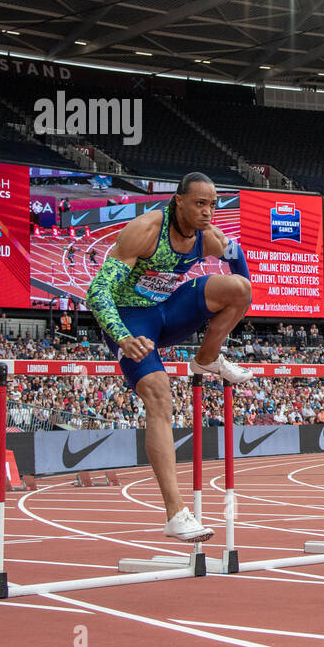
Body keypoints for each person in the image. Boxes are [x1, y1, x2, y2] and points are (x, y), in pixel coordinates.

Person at [86, 171, 254, 542]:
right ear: (178, 200)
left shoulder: (209, 237)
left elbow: (237, 256)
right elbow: (97, 291)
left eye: (212, 204)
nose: (208, 212)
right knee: (161, 395)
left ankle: (208, 358)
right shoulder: (145, 230)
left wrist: (240, 308)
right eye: (199, 203)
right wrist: (123, 337)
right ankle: (176, 513)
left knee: (239, 289)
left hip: (169, 312)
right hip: (132, 320)